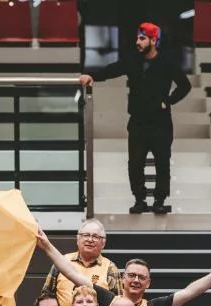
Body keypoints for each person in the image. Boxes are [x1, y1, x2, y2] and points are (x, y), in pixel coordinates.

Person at [37, 227, 211, 306]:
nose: (135, 280)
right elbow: (72, 273)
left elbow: (189, 292)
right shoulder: (107, 300)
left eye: (141, 277)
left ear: (148, 283)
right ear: (123, 279)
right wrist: (46, 246)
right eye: (131, 275)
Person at [78, 22, 191, 214]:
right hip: (138, 121)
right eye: (138, 37)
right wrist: (92, 76)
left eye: (142, 38)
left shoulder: (167, 62)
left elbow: (185, 85)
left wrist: (168, 101)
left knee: (162, 163)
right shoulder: (133, 60)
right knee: (135, 164)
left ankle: (159, 200)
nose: (137, 42)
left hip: (160, 122)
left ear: (154, 40)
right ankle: (140, 199)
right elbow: (112, 69)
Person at [41, 219, 120, 306]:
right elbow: (45, 297)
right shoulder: (61, 263)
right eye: (86, 235)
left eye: (95, 237)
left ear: (103, 243)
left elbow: (117, 304)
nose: (90, 240)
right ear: (77, 239)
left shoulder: (110, 268)